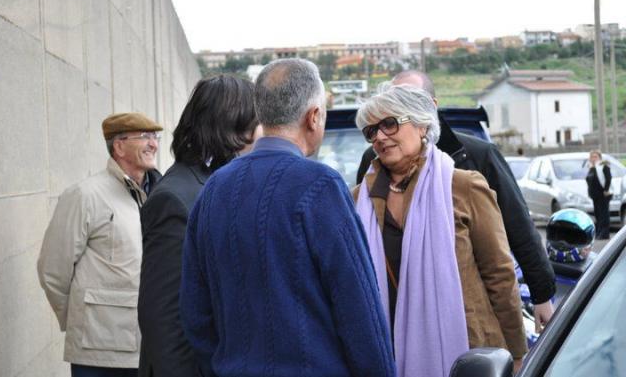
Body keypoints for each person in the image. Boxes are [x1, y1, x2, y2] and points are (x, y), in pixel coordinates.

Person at [179, 58, 395, 377]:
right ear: (314, 116)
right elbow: (359, 309)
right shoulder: (320, 185)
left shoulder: (213, 188)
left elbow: (195, 312)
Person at [357, 70, 556, 333]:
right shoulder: (372, 167)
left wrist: (541, 294)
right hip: (390, 321)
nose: (382, 135)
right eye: (375, 128)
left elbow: (516, 229)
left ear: (428, 109)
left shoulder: (476, 158)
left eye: (406, 101)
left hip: (463, 320)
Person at [354, 85, 527, 376]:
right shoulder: (358, 200)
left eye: (389, 124)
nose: (380, 137)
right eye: (371, 131)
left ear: (422, 125)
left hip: (468, 349)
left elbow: (499, 274)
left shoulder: (464, 186)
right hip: (387, 351)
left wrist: (515, 350)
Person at [138, 76, 260, 377]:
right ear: (234, 126)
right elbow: (165, 322)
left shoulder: (216, 183)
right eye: (258, 123)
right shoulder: (175, 198)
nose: (263, 134)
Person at [37, 112, 163, 377]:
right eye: (145, 136)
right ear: (119, 146)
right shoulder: (84, 195)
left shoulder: (159, 195)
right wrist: (82, 320)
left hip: (148, 346)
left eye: (155, 137)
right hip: (98, 352)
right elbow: (53, 271)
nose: (154, 144)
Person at [586, 149, 612, 239]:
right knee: (598, 214)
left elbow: (608, 178)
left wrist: (606, 190)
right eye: (592, 157)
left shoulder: (603, 166)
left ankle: (604, 233)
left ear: (600, 158)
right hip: (595, 195)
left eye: (595, 157)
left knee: (603, 214)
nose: (594, 159)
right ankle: (599, 232)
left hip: (603, 194)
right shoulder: (591, 168)